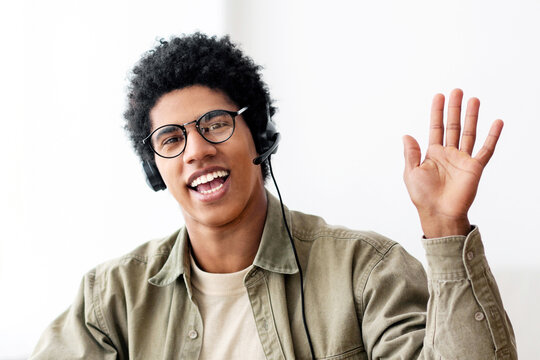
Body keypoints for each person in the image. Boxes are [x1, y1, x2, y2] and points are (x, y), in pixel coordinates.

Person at [31, 33, 517, 359]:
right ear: (156, 166)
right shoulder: (111, 299)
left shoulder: (366, 271)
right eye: (172, 139)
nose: (196, 150)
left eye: (216, 125)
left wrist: (445, 227)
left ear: (258, 137)